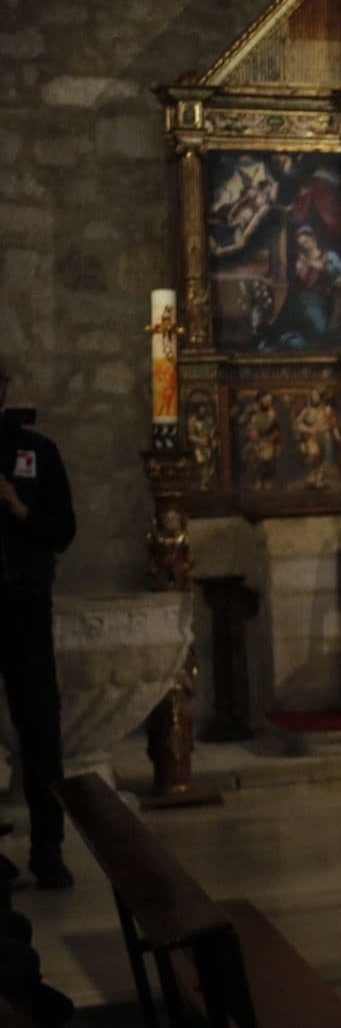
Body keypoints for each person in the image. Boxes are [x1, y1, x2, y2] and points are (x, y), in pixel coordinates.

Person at [0, 361, 77, 891]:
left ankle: (47, 849)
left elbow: (63, 529)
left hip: (24, 606)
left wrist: (17, 508)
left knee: (40, 732)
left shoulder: (37, 452)